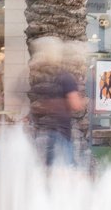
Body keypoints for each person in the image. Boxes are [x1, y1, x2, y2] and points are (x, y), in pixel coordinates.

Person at [29, 40, 87, 169]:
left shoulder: (45, 78)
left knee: (50, 170)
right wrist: (87, 101)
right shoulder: (67, 78)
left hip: (45, 131)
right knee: (68, 170)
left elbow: (39, 104)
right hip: (61, 132)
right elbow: (75, 104)